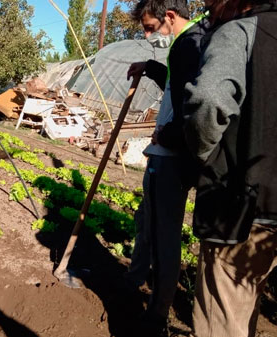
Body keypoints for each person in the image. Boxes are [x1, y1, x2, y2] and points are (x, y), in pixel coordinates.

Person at [183, 0, 277, 336]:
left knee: (223, 319)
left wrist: (202, 154)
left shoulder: (242, 31)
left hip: (241, 208)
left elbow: (209, 98)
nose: (208, 9)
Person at [124, 0, 209, 335]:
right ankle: (138, 282)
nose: (148, 35)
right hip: (177, 153)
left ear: (169, 17)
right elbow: (179, 87)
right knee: (151, 223)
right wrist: (151, 66)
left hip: (172, 157)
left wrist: (170, 135)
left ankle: (156, 315)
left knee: (164, 236)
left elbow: (196, 105)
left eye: (150, 27)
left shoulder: (189, 43)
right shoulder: (192, 39)